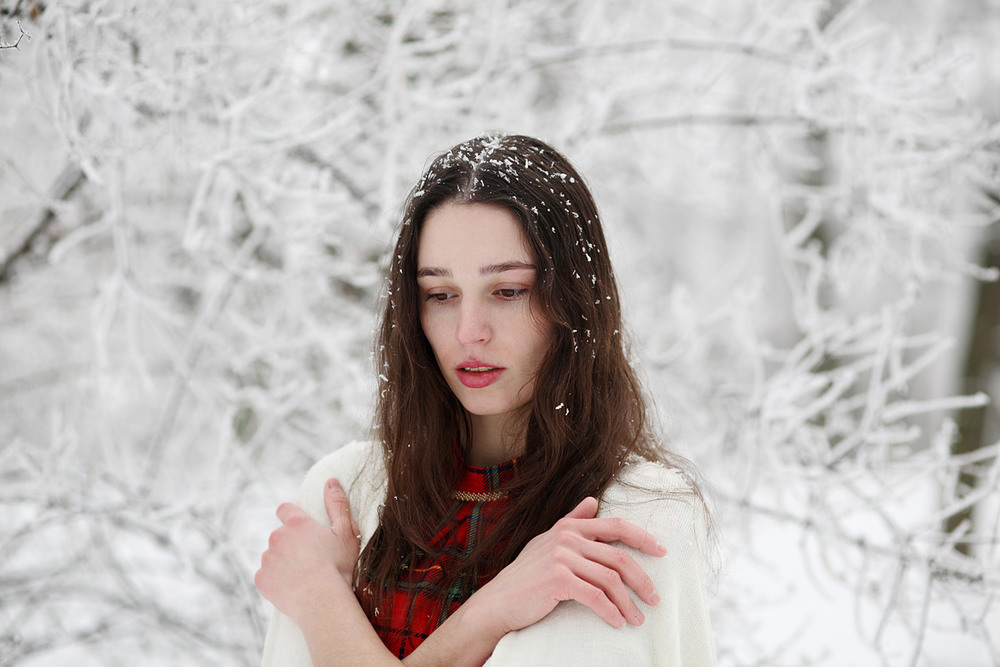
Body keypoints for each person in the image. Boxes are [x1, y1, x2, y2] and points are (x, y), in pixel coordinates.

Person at [254, 134, 716, 666]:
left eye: (508, 291)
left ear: (575, 301)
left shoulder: (630, 519)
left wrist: (321, 603)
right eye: (441, 295)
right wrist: (492, 611)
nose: (469, 332)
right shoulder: (346, 493)